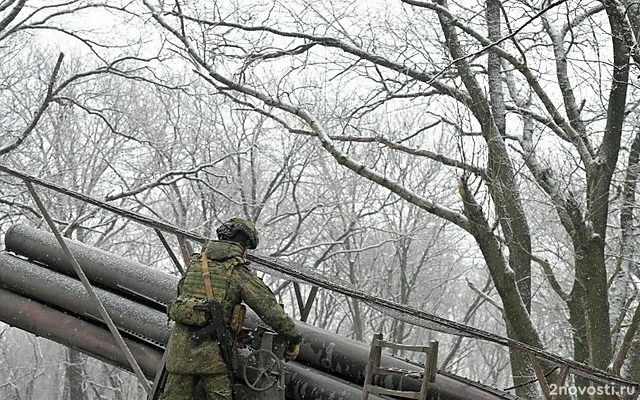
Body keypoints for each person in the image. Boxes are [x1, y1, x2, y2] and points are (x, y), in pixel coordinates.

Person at [161, 218, 302, 400]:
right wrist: (293, 337)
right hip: (214, 357)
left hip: (180, 354)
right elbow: (268, 308)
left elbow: (182, 298)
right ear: (244, 247)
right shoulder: (237, 271)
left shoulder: (195, 264)